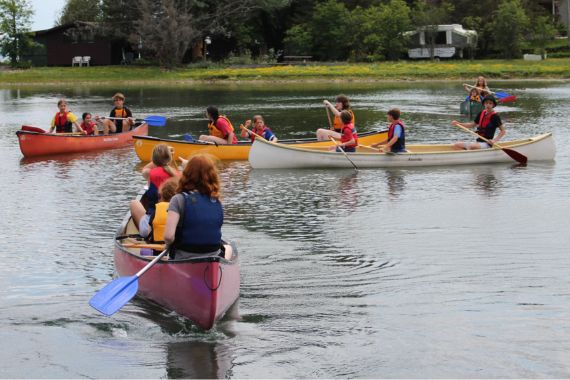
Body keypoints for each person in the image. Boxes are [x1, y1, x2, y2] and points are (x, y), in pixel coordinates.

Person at [164, 154, 233, 260]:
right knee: (229, 248)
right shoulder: (216, 200)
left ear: (186, 174)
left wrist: (167, 247)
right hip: (213, 257)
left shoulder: (178, 199)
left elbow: (169, 237)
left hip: (184, 256)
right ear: (212, 176)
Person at [130, 176, 178, 242]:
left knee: (134, 203)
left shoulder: (157, 211)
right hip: (172, 241)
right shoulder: (180, 210)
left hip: (153, 237)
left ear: (161, 197)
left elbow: (149, 231)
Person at [141, 144, 180, 210]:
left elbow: (144, 170)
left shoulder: (150, 173)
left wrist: (158, 158)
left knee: (134, 203)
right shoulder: (177, 173)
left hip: (155, 213)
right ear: (169, 158)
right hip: (173, 212)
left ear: (154, 159)